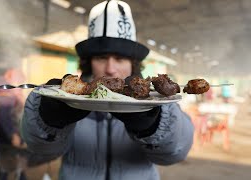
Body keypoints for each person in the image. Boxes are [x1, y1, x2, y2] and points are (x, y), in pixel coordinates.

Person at [20, 1, 194, 180]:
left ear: (132, 63)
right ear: (88, 62)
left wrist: (153, 125)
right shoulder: (71, 99)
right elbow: (40, 150)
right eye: (102, 58)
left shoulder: (155, 101)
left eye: (120, 58)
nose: (110, 68)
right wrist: (48, 119)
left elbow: (176, 153)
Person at [0, 69, 28, 180]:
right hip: (8, 138)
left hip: (17, 135)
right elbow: (4, 114)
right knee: (5, 168)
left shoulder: (14, 91)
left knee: (20, 167)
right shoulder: (6, 91)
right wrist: (12, 134)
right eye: (19, 80)